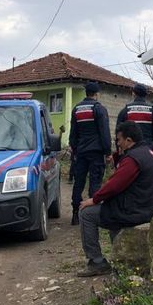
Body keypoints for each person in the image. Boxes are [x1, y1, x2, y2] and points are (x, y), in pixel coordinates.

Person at [76, 121, 153, 277]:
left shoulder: (132, 159)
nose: (117, 143)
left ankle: (96, 262)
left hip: (135, 211)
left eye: (119, 140)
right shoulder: (148, 153)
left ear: (128, 140)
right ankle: (120, 259)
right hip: (147, 207)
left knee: (86, 213)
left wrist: (94, 200)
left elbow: (114, 185)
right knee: (111, 214)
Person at [68, 81, 112, 226]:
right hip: (96, 152)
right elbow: (104, 133)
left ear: (86, 93)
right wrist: (108, 152)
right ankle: (92, 216)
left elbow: (73, 134)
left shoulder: (77, 109)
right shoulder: (99, 109)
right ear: (97, 94)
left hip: (80, 152)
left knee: (78, 183)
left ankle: (75, 214)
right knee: (95, 183)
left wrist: (74, 150)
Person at [116, 83, 153, 166]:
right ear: (145, 95)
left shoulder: (125, 111)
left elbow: (118, 134)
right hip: (149, 153)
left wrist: (119, 153)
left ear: (133, 94)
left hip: (130, 155)